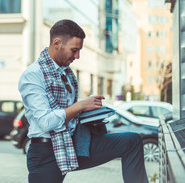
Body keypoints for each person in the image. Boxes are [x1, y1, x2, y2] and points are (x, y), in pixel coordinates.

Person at [18, 19, 148, 183]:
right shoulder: (33, 75)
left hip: (74, 143)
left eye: (79, 51)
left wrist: (89, 113)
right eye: (74, 50)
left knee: (132, 141)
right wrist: (80, 106)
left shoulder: (66, 73)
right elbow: (45, 122)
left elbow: (67, 110)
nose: (77, 56)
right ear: (57, 43)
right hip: (46, 152)